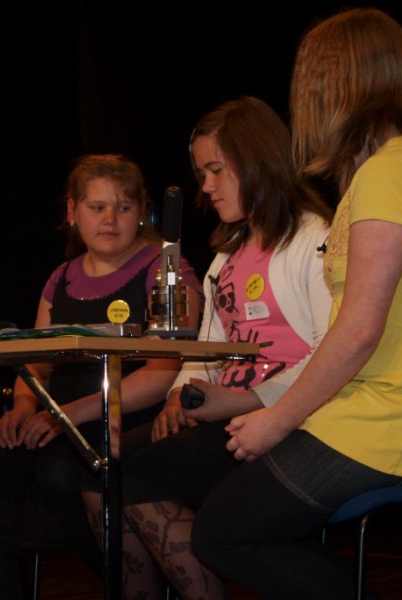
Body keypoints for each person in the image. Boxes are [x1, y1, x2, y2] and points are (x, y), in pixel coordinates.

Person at [179, 8, 402, 600]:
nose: (301, 102)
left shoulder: (390, 174)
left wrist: (278, 419)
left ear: (335, 87)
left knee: (224, 529)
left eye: (307, 83)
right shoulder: (387, 170)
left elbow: (357, 330)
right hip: (381, 406)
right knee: (237, 517)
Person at [0, 153, 203, 599]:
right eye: (97, 207)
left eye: (123, 207)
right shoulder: (61, 278)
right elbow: (37, 360)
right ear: (72, 211)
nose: (110, 219)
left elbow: (164, 371)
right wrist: (23, 406)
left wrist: (65, 415)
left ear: (141, 212)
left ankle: (130, 582)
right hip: (58, 419)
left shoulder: (166, 271)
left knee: (61, 474)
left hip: (126, 420)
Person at [120, 96, 333, 599]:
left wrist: (239, 401)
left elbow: (332, 353)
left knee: (130, 476)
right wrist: (181, 392)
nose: (206, 186)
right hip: (224, 413)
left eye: (216, 170)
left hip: (283, 421)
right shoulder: (228, 255)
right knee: (104, 467)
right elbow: (207, 346)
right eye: (202, 174)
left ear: (257, 160)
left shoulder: (313, 240)